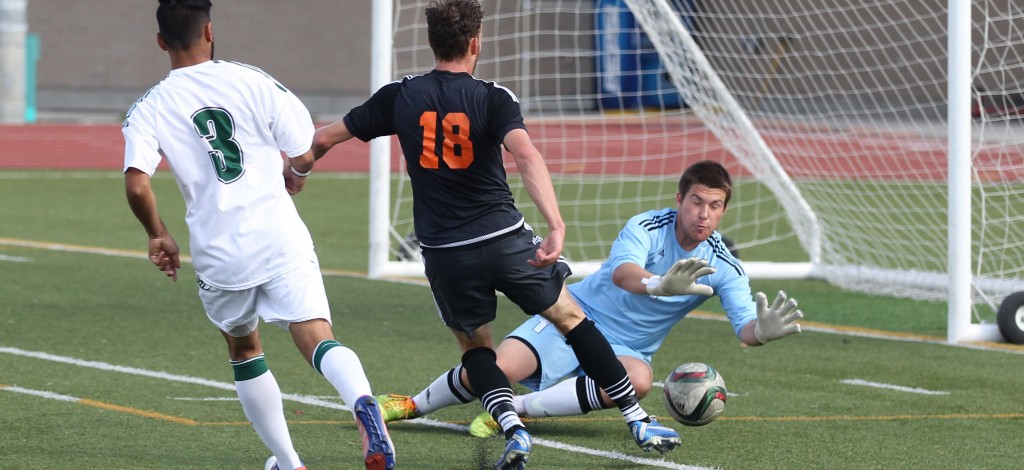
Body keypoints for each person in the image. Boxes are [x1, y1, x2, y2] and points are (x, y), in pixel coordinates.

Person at [311, 1, 679, 468]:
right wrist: (557, 225)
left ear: (431, 43)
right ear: (475, 43)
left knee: (476, 349)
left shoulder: (399, 96)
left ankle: (513, 429)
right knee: (571, 318)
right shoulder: (492, 97)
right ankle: (637, 418)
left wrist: (299, 165)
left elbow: (324, 139)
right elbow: (525, 155)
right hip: (505, 241)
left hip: (446, 254)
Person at [121, 2, 395, 469]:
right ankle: (363, 403)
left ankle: (289, 462)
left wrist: (158, 233)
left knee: (244, 348)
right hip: (278, 233)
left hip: (220, 251)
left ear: (161, 41)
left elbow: (136, 181)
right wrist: (298, 171)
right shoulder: (250, 78)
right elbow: (302, 145)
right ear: (209, 31)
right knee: (315, 335)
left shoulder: (150, 106)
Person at [374, 160, 805, 438]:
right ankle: (410, 404)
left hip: (627, 349)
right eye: (696, 202)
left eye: (714, 206)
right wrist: (658, 284)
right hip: (573, 317)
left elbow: (745, 330)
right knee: (497, 369)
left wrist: (761, 332)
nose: (704, 214)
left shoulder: (725, 265)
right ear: (680, 200)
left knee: (637, 380)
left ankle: (516, 410)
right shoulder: (648, 226)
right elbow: (623, 273)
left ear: (724, 210)